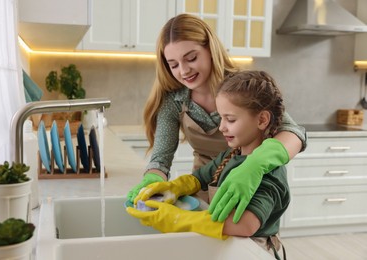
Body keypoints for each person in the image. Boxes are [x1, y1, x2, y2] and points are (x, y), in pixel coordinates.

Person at [127, 13, 306, 223]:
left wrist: (254, 165)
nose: (184, 71)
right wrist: (153, 181)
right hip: (203, 185)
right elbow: (161, 158)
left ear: (210, 50)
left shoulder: (241, 86)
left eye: (191, 58)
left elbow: (294, 133)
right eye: (173, 64)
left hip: (249, 185)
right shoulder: (174, 99)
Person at [127, 70, 290, 259]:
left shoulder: (270, 172)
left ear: (262, 120)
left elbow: (245, 225)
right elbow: (199, 178)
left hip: (254, 252)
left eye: (230, 119)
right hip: (227, 249)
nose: (221, 127)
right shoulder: (232, 155)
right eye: (221, 118)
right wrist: (172, 188)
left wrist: (177, 219)